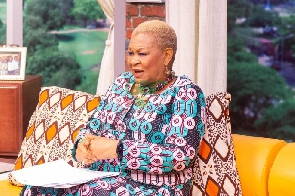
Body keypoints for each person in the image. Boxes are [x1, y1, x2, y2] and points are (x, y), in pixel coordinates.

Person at [20, 20, 206, 196]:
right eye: (130, 53)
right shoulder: (121, 84)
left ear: (166, 55)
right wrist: (81, 146)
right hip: (101, 177)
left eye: (142, 54)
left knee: (90, 192)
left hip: (155, 187)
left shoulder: (185, 93)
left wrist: (117, 149)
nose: (133, 61)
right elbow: (93, 127)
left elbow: (180, 156)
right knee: (36, 189)